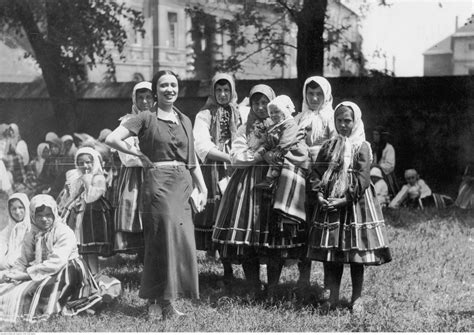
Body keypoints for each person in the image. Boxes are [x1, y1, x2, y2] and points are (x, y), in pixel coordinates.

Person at [105, 70, 207, 319]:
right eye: (164, 86)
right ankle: (153, 301)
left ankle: (169, 302)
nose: (169, 89)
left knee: (180, 243)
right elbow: (111, 138)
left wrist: (202, 188)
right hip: (158, 185)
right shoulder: (144, 118)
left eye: (173, 85)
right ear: (155, 91)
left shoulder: (185, 120)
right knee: (160, 241)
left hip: (182, 185)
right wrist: (138, 154)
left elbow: (191, 159)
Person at [307, 101, 391, 313]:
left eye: (348, 120)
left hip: (354, 204)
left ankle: (357, 298)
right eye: (339, 120)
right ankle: (333, 296)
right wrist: (318, 192)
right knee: (332, 253)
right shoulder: (328, 145)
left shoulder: (362, 146)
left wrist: (345, 198)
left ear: (355, 121)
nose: (343, 125)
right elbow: (317, 171)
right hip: (330, 204)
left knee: (355, 255)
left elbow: (363, 179)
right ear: (334, 121)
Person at [0, 194, 102, 323]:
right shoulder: (32, 233)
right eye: (39, 216)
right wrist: (14, 273)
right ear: (32, 216)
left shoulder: (64, 232)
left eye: (48, 215)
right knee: (9, 288)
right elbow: (23, 258)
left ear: (54, 213)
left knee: (37, 292)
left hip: (67, 269)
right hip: (45, 269)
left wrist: (26, 275)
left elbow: (57, 262)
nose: (44, 219)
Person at [193, 73, 241, 282]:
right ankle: (223, 267)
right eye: (219, 90)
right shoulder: (204, 115)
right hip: (214, 167)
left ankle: (231, 267)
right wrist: (227, 157)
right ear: (213, 92)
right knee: (217, 215)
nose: (222, 94)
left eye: (226, 90)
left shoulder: (240, 113)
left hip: (238, 165)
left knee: (234, 213)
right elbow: (201, 145)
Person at [293, 76, 336, 290]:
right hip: (302, 178)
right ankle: (304, 277)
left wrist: (315, 151)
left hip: (325, 179)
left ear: (326, 95)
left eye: (319, 93)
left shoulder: (331, 119)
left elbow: (336, 148)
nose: (315, 98)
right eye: (310, 93)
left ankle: (329, 283)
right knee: (304, 227)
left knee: (325, 228)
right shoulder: (300, 117)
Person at [58, 147, 114, 275]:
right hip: (78, 212)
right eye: (81, 163)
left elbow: (92, 197)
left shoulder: (98, 177)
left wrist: (87, 181)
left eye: (88, 162)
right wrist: (69, 191)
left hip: (94, 213)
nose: (85, 165)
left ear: (94, 162)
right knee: (81, 249)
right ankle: (84, 275)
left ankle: (94, 275)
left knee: (91, 248)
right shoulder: (77, 177)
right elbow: (72, 197)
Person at [113, 81, 153, 256]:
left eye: (148, 97)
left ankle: (153, 250)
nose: (144, 102)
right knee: (136, 209)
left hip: (155, 172)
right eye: (140, 98)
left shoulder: (158, 119)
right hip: (136, 175)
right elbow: (126, 155)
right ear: (134, 99)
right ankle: (140, 251)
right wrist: (144, 156)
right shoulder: (128, 121)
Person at [254, 95, 302, 189]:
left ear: (284, 111)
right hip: (277, 151)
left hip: (288, 150)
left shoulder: (289, 124)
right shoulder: (274, 126)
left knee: (275, 159)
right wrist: (264, 148)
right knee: (268, 157)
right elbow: (269, 139)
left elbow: (287, 139)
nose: (273, 115)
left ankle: (272, 178)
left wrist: (278, 149)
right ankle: (269, 180)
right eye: (271, 113)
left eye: (276, 112)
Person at [0, 193, 31, 272]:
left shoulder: (31, 227)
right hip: (6, 265)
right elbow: (1, 243)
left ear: (26, 207)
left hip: (23, 265)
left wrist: (9, 261)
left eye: (20, 207)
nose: (17, 212)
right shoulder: (9, 228)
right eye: (13, 209)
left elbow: (25, 249)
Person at [372, 126, 399, 197]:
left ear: (382, 136)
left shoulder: (389, 148)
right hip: (374, 171)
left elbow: (390, 165)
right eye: (374, 134)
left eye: (377, 135)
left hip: (386, 174)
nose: (374, 137)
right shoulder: (375, 148)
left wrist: (377, 166)